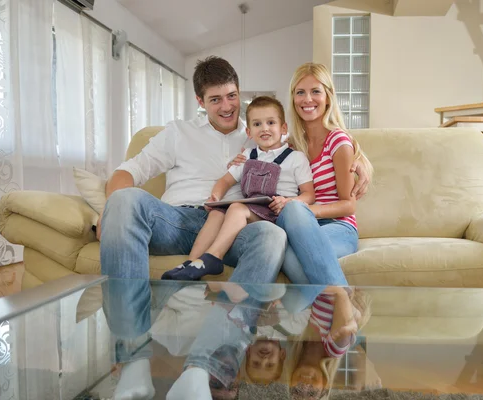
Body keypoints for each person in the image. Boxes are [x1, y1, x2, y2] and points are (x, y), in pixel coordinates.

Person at [98, 55, 370, 400]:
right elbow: (128, 172)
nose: (227, 107)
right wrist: (108, 213)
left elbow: (316, 157)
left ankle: (204, 367)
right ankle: (134, 360)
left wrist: (362, 163)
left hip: (238, 224)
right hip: (178, 218)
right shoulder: (177, 133)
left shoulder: (261, 130)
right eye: (215, 99)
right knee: (123, 200)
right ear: (200, 102)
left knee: (274, 235)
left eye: (231, 96)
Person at [162, 96, 314, 282]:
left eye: (271, 122)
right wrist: (215, 197)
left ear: (283, 128)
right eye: (257, 124)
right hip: (252, 213)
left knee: (235, 208)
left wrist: (288, 202)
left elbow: (309, 194)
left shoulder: (295, 158)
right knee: (217, 213)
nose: (264, 128)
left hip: (277, 215)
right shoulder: (247, 156)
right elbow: (224, 181)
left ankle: (213, 257)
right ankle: (191, 264)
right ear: (249, 132)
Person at [277, 62, 374, 311]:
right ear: (293, 98)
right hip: (304, 229)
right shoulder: (291, 146)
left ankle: (339, 308)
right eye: (300, 92)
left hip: (339, 228)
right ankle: (339, 318)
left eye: (315, 91)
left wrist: (306, 211)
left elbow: (348, 204)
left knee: (295, 211)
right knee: (287, 253)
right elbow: (258, 142)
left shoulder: (338, 141)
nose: (307, 99)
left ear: (328, 97)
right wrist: (241, 159)